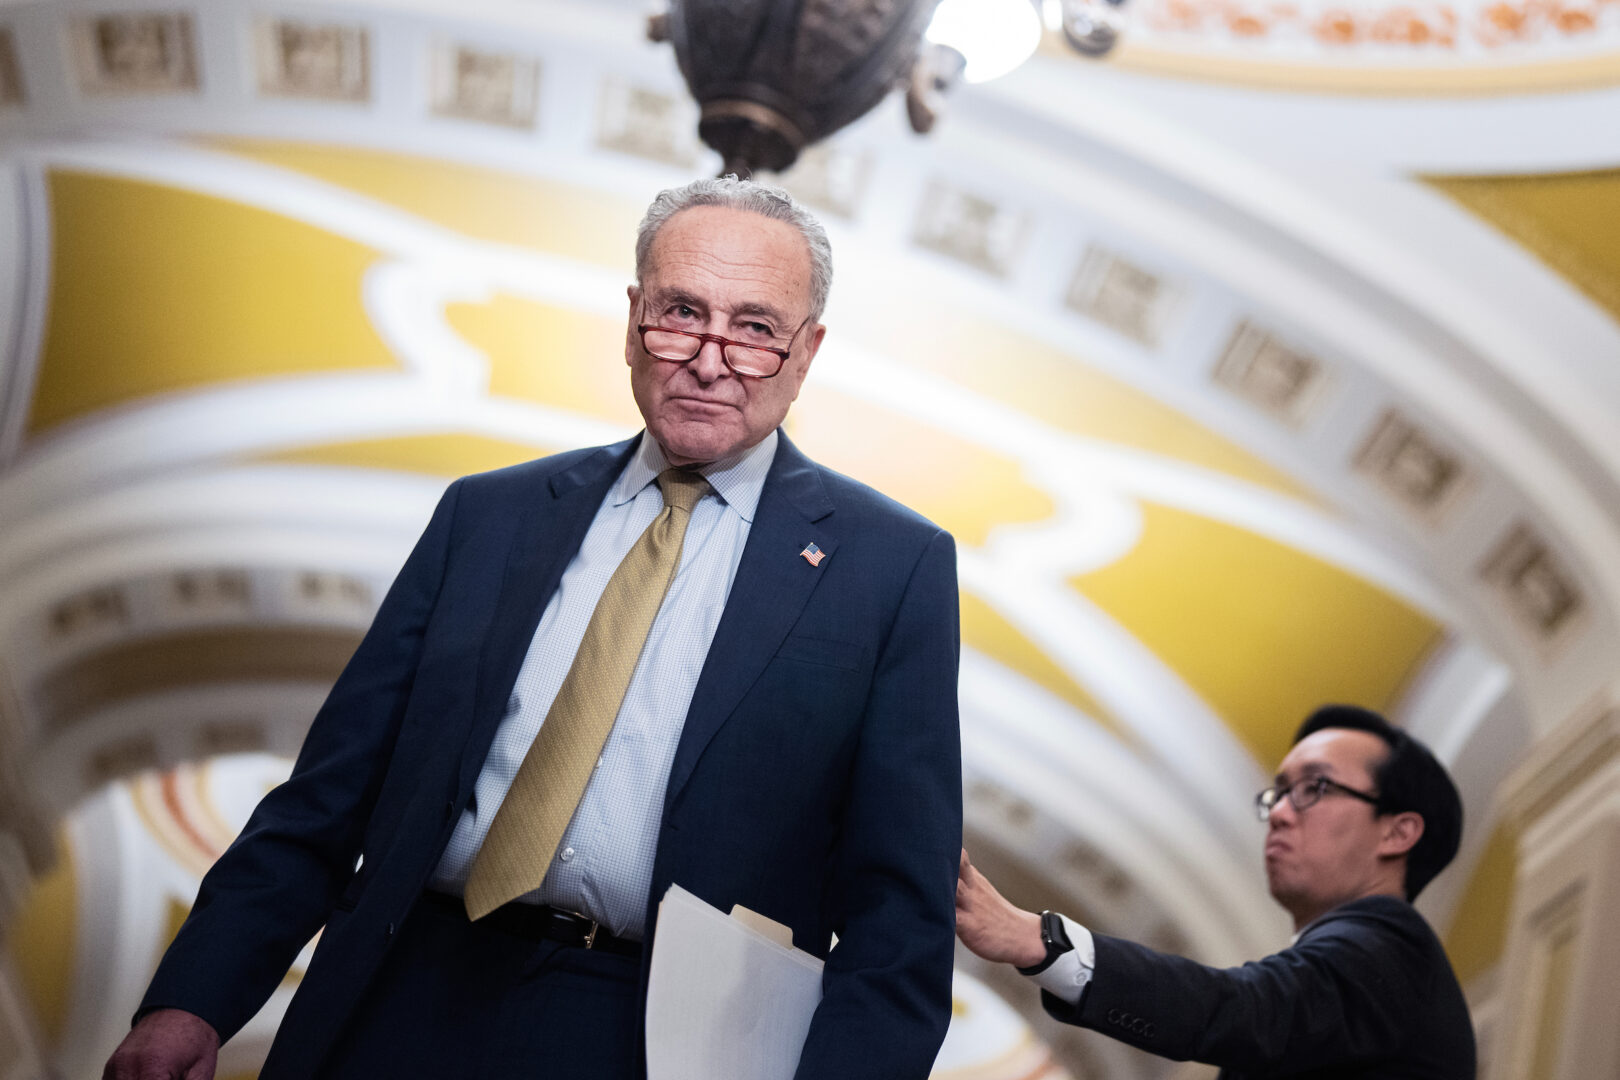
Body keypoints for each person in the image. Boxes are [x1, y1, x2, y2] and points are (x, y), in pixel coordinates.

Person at [105, 177, 962, 1080]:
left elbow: (897, 918)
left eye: (755, 328)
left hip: (650, 1040)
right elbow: (326, 800)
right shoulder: (489, 516)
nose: (711, 359)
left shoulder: (889, 570)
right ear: (633, 318)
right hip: (399, 993)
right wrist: (190, 1002)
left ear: (807, 349)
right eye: (681, 312)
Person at [956, 704, 1475, 1079]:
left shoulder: (1388, 943)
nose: (1278, 812)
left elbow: (1245, 1006)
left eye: (1315, 788)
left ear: (1397, 832)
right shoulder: (1346, 973)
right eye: (1278, 792)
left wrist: (1038, 941)